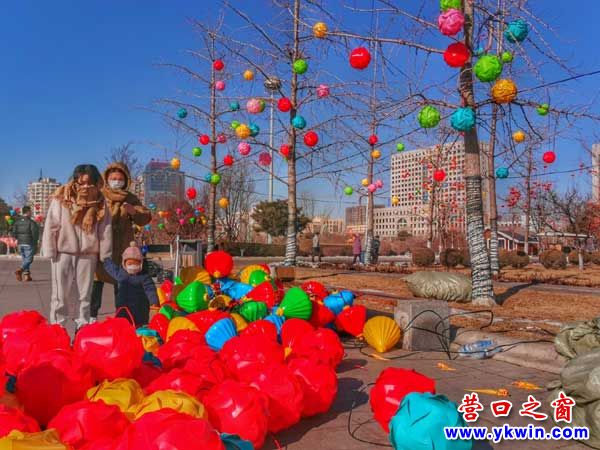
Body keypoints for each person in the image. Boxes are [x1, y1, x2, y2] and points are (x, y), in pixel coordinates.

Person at [41, 164, 112, 329]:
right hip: (63, 252)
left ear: (96, 182)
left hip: (89, 253)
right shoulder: (62, 198)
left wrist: (105, 254)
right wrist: (50, 249)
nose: (85, 186)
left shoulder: (101, 202)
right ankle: (58, 328)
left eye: (89, 183)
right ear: (75, 181)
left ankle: (83, 327)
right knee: (60, 294)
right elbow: (51, 224)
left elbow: (105, 229)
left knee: (85, 295)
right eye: (81, 182)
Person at [90, 162, 151, 323]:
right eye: (113, 178)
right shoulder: (99, 195)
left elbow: (145, 217)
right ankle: (91, 317)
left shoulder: (130, 198)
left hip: (123, 247)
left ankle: (122, 316)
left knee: (123, 284)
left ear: (126, 180)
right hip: (102, 246)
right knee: (96, 282)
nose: (116, 181)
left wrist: (134, 211)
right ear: (107, 179)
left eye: (120, 179)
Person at [103, 242, 159, 327]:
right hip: (123, 308)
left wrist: (154, 301)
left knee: (139, 327)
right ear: (124, 264)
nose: (133, 266)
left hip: (140, 309)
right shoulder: (121, 274)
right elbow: (112, 269)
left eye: (136, 264)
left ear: (141, 264)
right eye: (129, 264)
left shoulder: (144, 277)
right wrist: (106, 261)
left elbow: (150, 289)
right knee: (122, 326)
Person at [13, 206, 39, 282]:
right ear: (27, 212)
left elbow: (14, 232)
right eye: (30, 211)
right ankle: (20, 270)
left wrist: (18, 239)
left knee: (25, 260)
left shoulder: (17, 222)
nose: (31, 213)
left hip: (20, 243)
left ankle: (27, 276)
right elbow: (35, 234)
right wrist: (36, 243)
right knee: (29, 259)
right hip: (29, 243)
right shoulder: (31, 222)